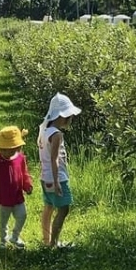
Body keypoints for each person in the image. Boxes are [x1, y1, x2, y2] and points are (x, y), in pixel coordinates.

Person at [38, 93, 81, 249]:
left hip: (45, 177)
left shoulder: (44, 130)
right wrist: (57, 182)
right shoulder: (56, 135)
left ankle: (46, 240)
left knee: (49, 206)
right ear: (62, 116)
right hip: (57, 178)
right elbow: (54, 159)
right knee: (63, 209)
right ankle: (54, 243)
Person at [0, 126, 34, 248]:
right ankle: (3, 240)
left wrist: (27, 185)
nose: (7, 152)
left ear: (18, 148)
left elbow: (24, 173)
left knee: (22, 216)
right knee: (3, 221)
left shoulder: (20, 158)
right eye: (4, 149)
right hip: (2, 197)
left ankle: (15, 236)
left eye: (11, 149)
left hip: (17, 196)